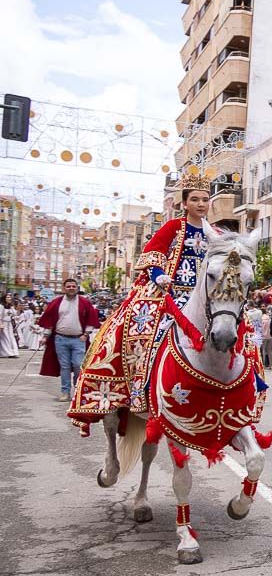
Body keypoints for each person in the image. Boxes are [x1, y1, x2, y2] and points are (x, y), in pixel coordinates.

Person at [68, 177, 213, 424]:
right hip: (170, 292)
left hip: (203, 296)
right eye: (195, 199)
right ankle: (138, 384)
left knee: (236, 329)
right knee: (138, 329)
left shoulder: (214, 232)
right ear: (185, 203)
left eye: (205, 199)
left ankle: (248, 384)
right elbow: (152, 254)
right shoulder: (174, 227)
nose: (201, 204)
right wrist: (159, 276)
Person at [36, 278, 101, 402]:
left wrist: (86, 334)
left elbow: (91, 320)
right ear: (64, 288)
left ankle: (77, 391)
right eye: (68, 286)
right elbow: (49, 321)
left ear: (77, 288)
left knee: (78, 365)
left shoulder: (84, 302)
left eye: (73, 286)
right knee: (64, 366)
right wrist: (45, 336)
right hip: (60, 339)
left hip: (79, 339)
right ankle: (65, 392)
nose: (71, 288)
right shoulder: (56, 302)